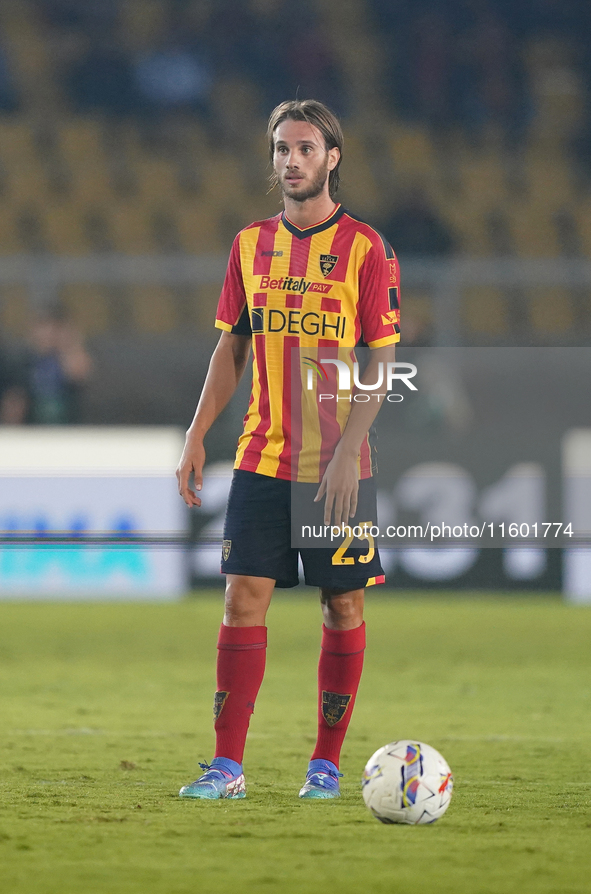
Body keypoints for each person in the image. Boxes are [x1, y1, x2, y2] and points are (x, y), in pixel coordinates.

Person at [176, 99, 401, 800]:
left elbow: (378, 362)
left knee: (341, 605)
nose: (290, 161)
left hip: (336, 466)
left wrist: (347, 452)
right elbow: (231, 346)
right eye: (281, 149)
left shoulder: (366, 248)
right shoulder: (249, 244)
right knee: (242, 599)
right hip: (260, 458)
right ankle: (227, 768)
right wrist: (195, 433)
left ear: (332, 157)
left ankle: (326, 767)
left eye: (304, 148)